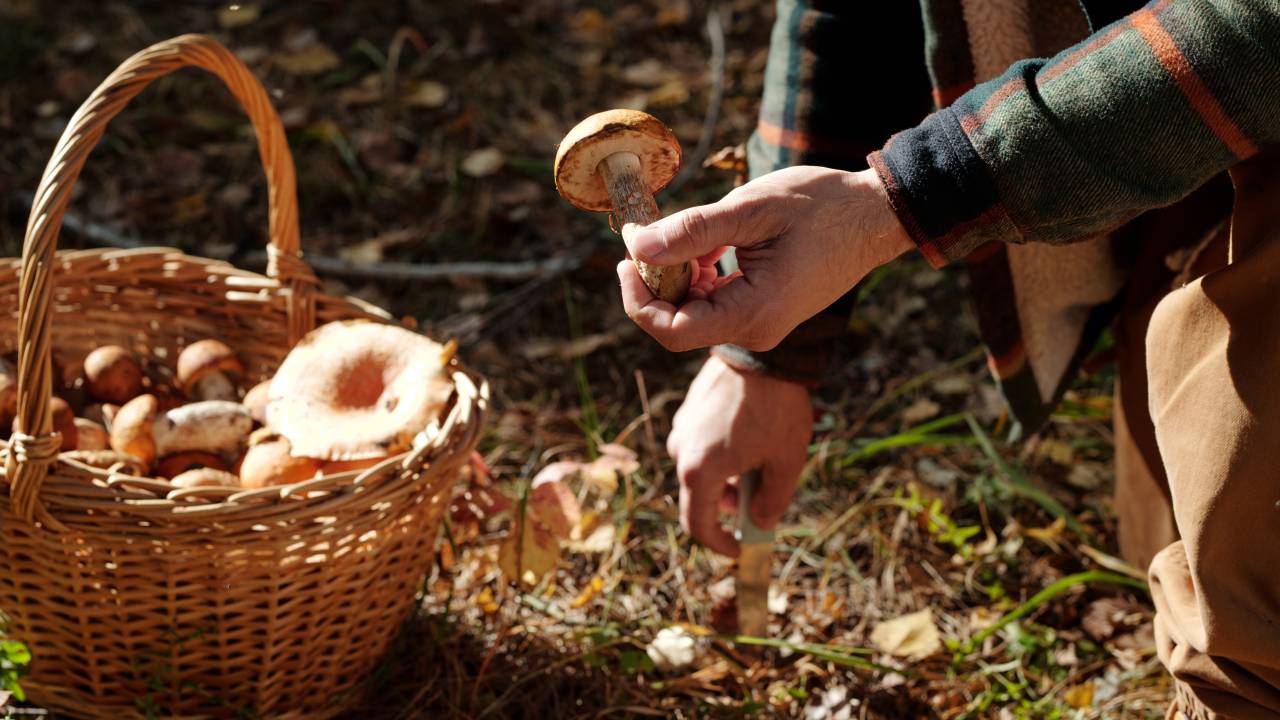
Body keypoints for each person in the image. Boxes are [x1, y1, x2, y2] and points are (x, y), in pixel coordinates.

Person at [616, 1, 1280, 718]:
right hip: (1175, 160)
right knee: (1192, 549)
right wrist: (768, 356)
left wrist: (902, 198)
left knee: (1255, 590)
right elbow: (847, 18)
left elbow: (1251, 29)